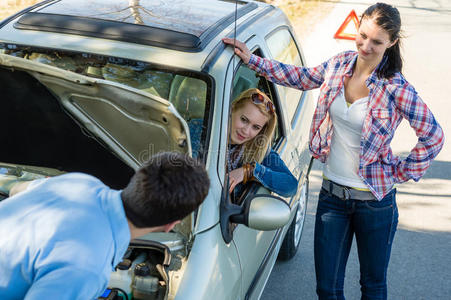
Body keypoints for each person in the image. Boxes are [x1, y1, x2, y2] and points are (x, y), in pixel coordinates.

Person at [223, 3, 444, 299]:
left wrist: (399, 172)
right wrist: (253, 61)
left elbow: (433, 136)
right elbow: (300, 77)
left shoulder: (397, 87)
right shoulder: (340, 64)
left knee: (373, 286)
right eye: (363, 35)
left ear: (392, 42)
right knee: (327, 289)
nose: (366, 46)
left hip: (374, 204)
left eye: (377, 42)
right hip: (332, 198)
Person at [0, 152, 210, 300]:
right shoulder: (86, 269)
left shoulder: (78, 182)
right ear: (171, 225)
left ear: (137, 178)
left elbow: (16, 190)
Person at [227, 88, 297, 199]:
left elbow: (291, 186)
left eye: (255, 127)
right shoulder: (199, 130)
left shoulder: (259, 149)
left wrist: (250, 171)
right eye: (244, 120)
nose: (246, 131)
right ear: (231, 110)